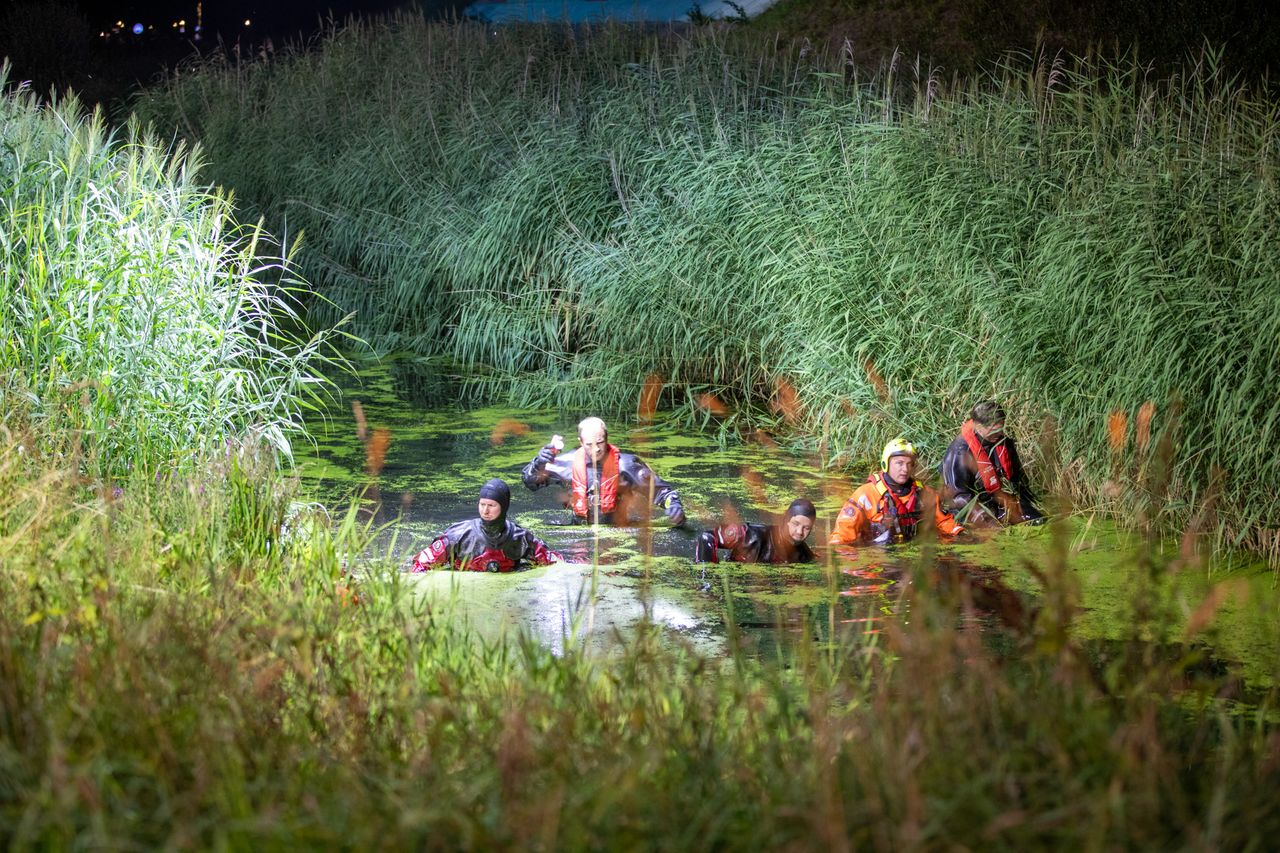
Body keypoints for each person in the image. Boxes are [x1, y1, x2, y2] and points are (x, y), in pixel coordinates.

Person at [521, 416, 685, 525]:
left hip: (618, 530)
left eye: (599, 443)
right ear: (580, 441)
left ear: (606, 438)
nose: (596, 450)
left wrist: (675, 506)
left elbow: (663, 493)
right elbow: (530, 483)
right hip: (578, 530)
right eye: (589, 445)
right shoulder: (565, 463)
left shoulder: (626, 465)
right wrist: (538, 463)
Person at [410, 478, 562, 572]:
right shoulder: (459, 535)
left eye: (491, 505)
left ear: (503, 507)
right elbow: (421, 564)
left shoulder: (519, 537)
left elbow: (554, 563)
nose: (485, 511)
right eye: (482, 504)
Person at [830, 439, 964, 545]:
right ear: (885, 464)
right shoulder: (866, 495)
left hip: (915, 557)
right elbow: (841, 535)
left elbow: (943, 522)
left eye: (909, 464)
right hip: (877, 558)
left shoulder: (925, 493)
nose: (905, 469)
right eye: (899, 463)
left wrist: (959, 534)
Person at [939, 401, 1044, 524]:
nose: (999, 434)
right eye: (994, 430)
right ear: (978, 426)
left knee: (1038, 521)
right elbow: (958, 497)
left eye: (1001, 428)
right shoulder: (959, 453)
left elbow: (1017, 480)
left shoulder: (1003, 443)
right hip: (971, 509)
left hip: (999, 503)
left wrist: (1028, 504)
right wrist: (985, 519)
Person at [693, 498, 818, 564]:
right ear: (785, 520)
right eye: (795, 524)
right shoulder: (750, 534)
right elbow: (707, 537)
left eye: (807, 528)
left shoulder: (805, 555)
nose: (800, 532)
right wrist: (708, 578)